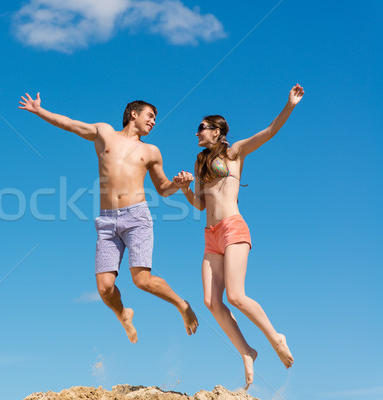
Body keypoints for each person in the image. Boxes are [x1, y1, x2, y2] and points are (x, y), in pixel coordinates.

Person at [19, 92, 198, 343]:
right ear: (133, 114)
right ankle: (123, 314)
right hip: (106, 221)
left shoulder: (151, 151)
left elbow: (163, 189)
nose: (154, 121)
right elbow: (71, 124)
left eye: (155, 118)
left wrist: (179, 184)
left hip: (137, 217)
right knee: (104, 288)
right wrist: (40, 111)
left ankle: (182, 304)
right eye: (150, 116)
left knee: (141, 280)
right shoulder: (105, 133)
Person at [174, 84, 304, 388]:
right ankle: (247, 352)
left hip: (233, 227)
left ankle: (275, 336)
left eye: (203, 128)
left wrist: (290, 105)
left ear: (218, 131)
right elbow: (200, 203)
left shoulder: (234, 152)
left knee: (235, 295)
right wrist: (184, 188)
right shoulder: (200, 161)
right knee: (210, 301)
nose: (198, 132)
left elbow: (270, 131)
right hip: (211, 234)